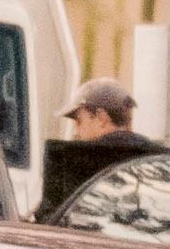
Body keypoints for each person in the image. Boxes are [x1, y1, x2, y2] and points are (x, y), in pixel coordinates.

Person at [38, 76, 155, 216]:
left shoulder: (72, 161)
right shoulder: (160, 161)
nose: (76, 132)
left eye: (79, 121)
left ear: (101, 119)